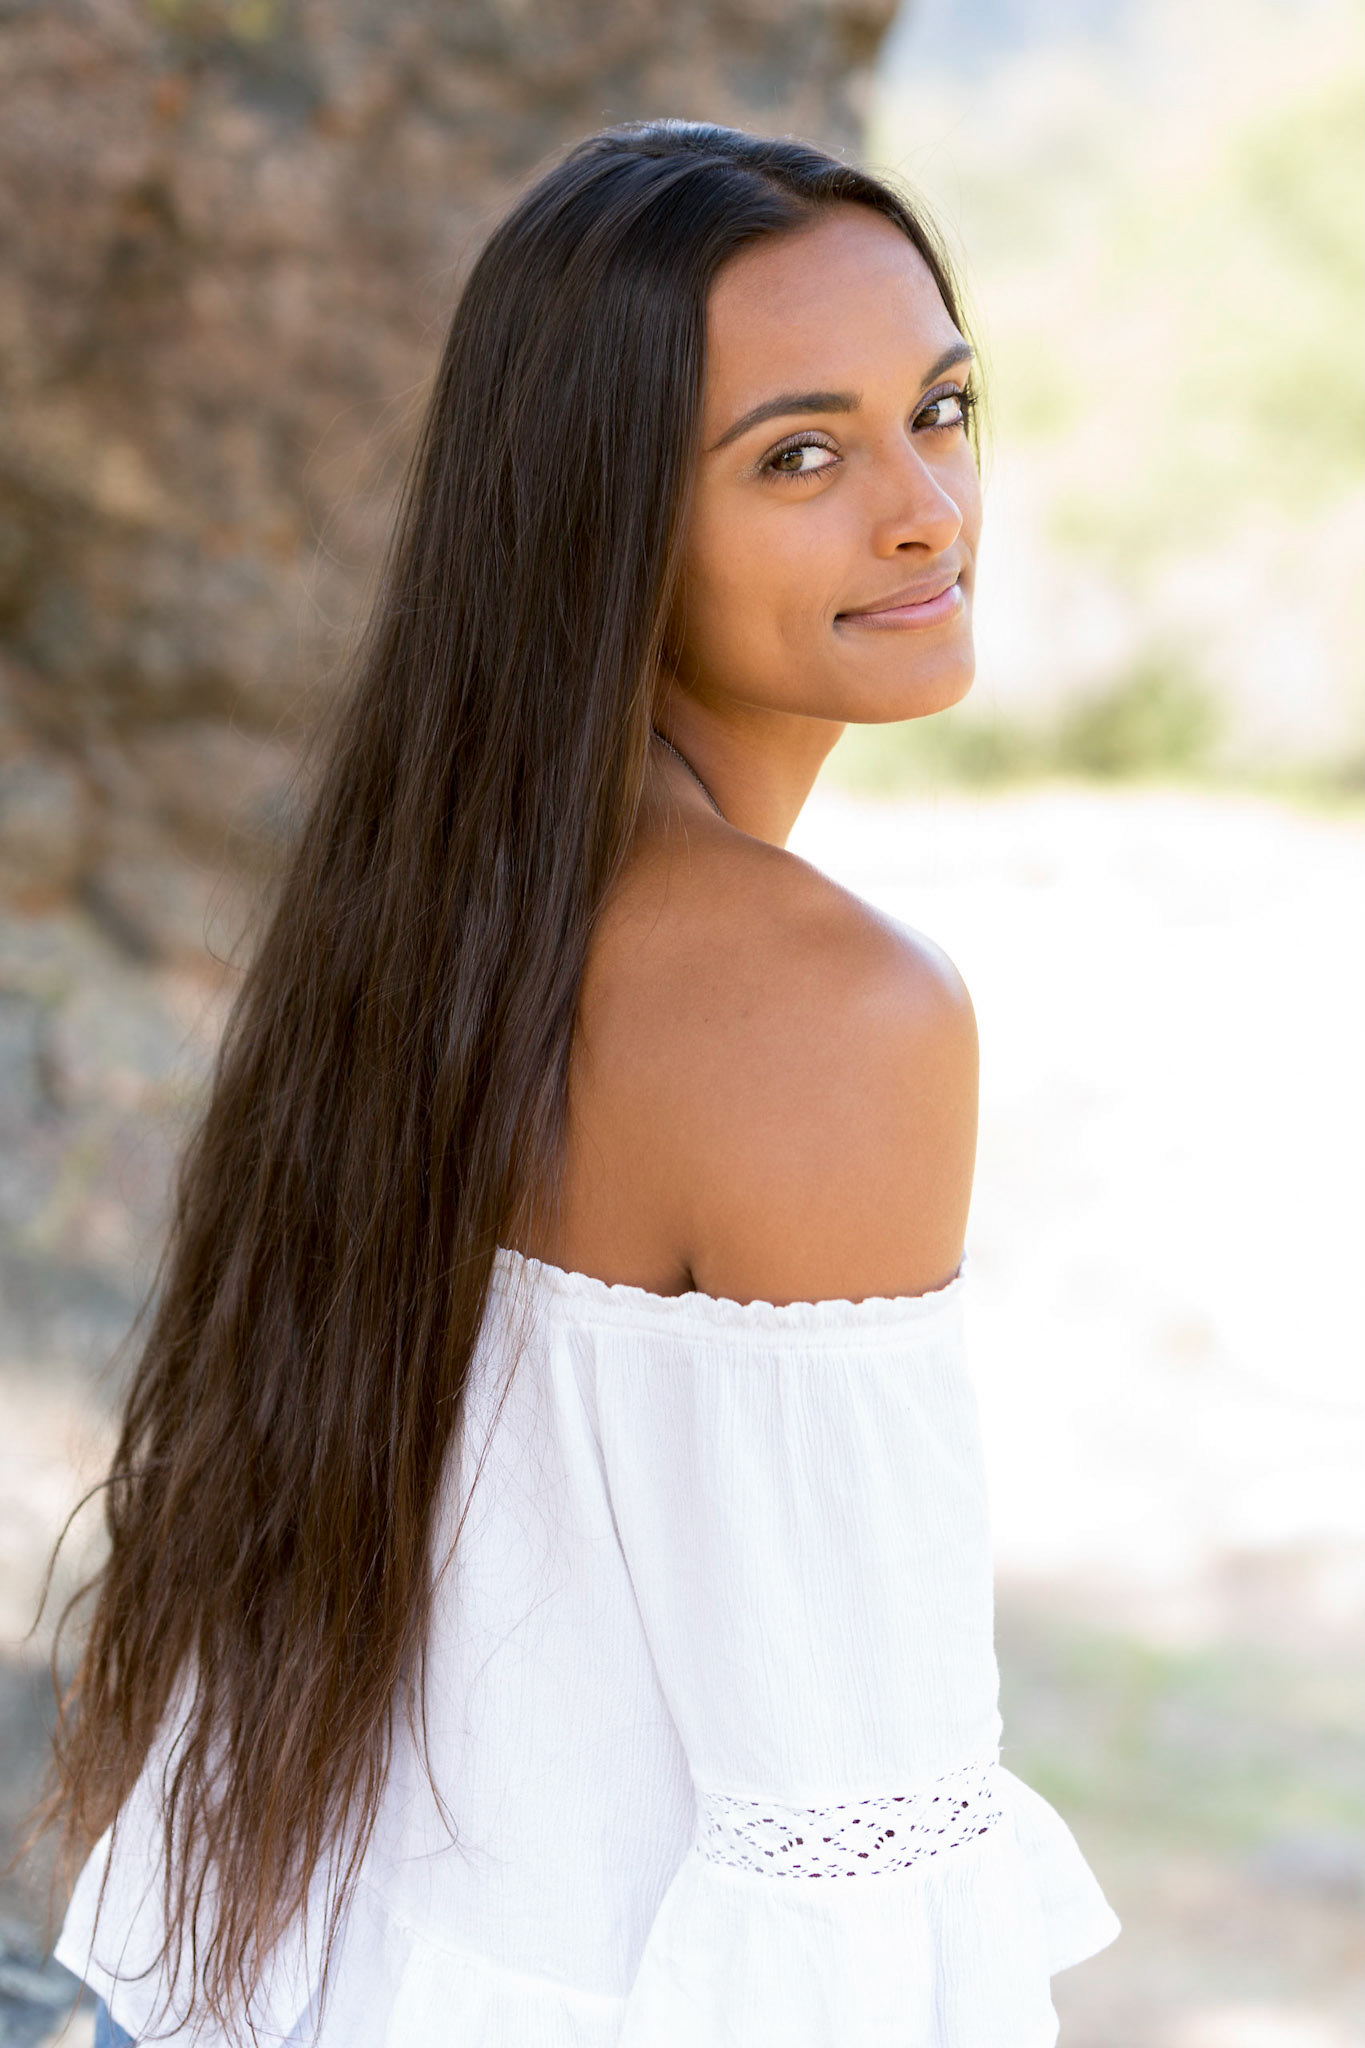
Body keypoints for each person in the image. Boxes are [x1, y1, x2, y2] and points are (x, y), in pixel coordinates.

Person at [39, 118, 1120, 2046]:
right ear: (600, 516)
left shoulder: (437, 901)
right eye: (799, 453)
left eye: (939, 410)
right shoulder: (820, 1007)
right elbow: (854, 1849)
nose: (924, 511)